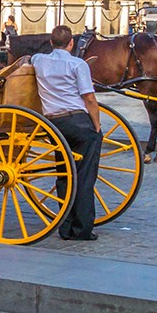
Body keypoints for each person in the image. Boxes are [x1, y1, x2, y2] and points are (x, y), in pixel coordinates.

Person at [31, 24, 101, 240]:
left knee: (64, 175)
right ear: (71, 43)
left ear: (51, 43)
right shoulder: (77, 64)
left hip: (54, 125)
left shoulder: (39, 60)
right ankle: (82, 229)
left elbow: (26, 60)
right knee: (85, 176)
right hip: (77, 122)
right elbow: (89, 98)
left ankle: (65, 225)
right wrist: (97, 126)